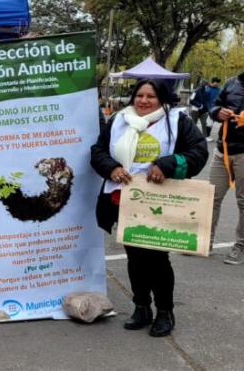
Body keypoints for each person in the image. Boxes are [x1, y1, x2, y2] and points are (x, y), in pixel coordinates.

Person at [91, 79, 207, 337]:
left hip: (160, 201)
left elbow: (198, 152)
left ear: (163, 99)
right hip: (125, 199)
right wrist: (112, 167)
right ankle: (141, 307)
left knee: (156, 258)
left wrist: (167, 165)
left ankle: (165, 312)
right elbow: (98, 151)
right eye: (139, 95)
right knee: (135, 258)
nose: (143, 101)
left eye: (151, 96)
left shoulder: (177, 121)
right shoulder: (119, 119)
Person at [209, 72, 244, 265]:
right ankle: (205, 242)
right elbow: (214, 105)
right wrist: (217, 112)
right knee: (212, 198)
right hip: (222, 151)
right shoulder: (231, 82)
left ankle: (240, 247)